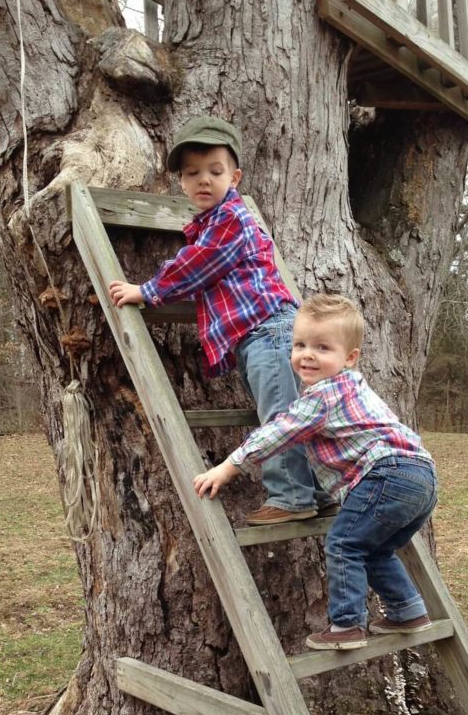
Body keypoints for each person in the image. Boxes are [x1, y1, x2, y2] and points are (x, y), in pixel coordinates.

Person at [108, 116, 331, 526]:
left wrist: (148, 291)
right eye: (192, 174)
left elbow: (196, 265)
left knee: (279, 416)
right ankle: (316, 490)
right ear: (181, 182)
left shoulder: (231, 220)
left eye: (215, 171)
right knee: (287, 413)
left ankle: (292, 497)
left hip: (271, 333)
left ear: (235, 176)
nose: (203, 181)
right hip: (256, 338)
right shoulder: (208, 226)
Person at [193, 294, 438, 651]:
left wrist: (228, 467)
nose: (307, 355)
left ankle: (347, 626)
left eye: (322, 348)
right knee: (375, 550)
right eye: (299, 345)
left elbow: (277, 431)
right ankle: (408, 610)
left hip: (386, 475)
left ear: (349, 358)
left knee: (343, 542)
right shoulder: (354, 386)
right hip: (422, 478)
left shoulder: (321, 396)